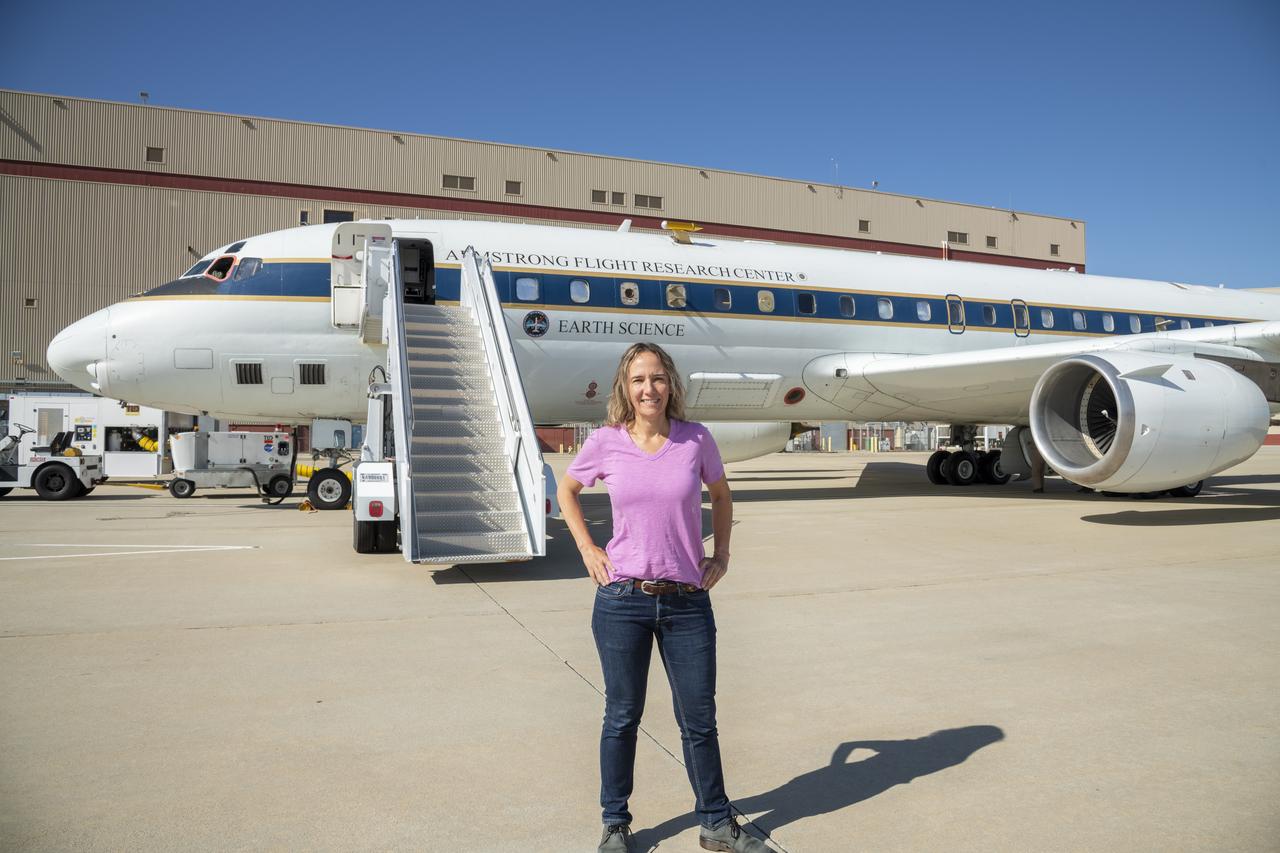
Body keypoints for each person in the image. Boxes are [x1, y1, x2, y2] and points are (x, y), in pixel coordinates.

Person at [558, 343, 769, 853]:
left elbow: (721, 495)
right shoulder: (606, 441)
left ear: (670, 384)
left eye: (656, 378)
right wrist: (588, 547)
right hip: (622, 600)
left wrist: (722, 555)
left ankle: (716, 824)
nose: (648, 388)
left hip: (687, 601)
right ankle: (615, 824)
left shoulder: (695, 439)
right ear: (624, 389)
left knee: (699, 719)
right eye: (637, 380)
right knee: (622, 716)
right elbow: (566, 490)